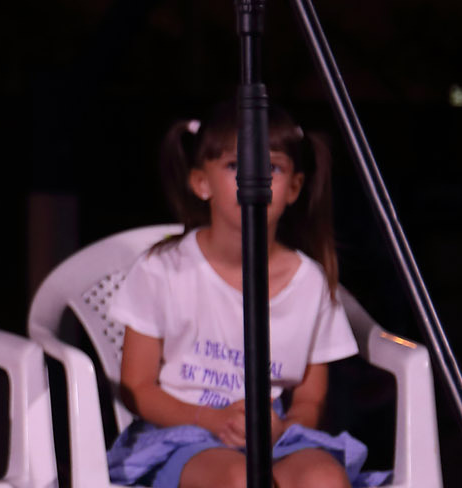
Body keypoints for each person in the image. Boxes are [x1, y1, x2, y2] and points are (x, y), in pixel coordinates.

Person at [107, 103, 390, 488]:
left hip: (274, 436)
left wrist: (282, 428)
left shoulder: (310, 283)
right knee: (240, 480)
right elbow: (137, 387)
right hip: (183, 433)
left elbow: (310, 399)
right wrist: (211, 419)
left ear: (294, 188)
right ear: (201, 182)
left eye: (272, 167)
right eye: (234, 165)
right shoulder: (163, 269)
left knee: (325, 477)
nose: (254, 178)